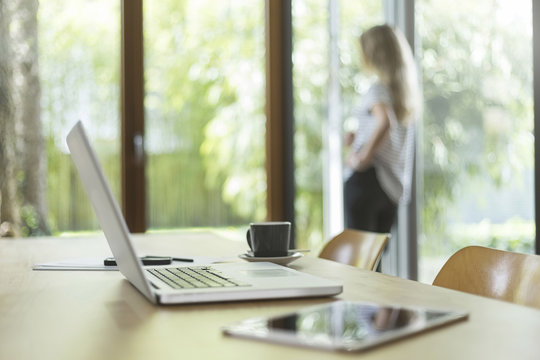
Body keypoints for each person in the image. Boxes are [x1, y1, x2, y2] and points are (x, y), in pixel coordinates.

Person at [343, 24, 420, 233]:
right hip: (391, 188)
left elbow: (385, 123)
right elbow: (387, 128)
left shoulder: (378, 89)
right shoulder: (404, 95)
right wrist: (359, 137)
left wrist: (362, 158)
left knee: (359, 260)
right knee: (373, 259)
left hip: (368, 179)